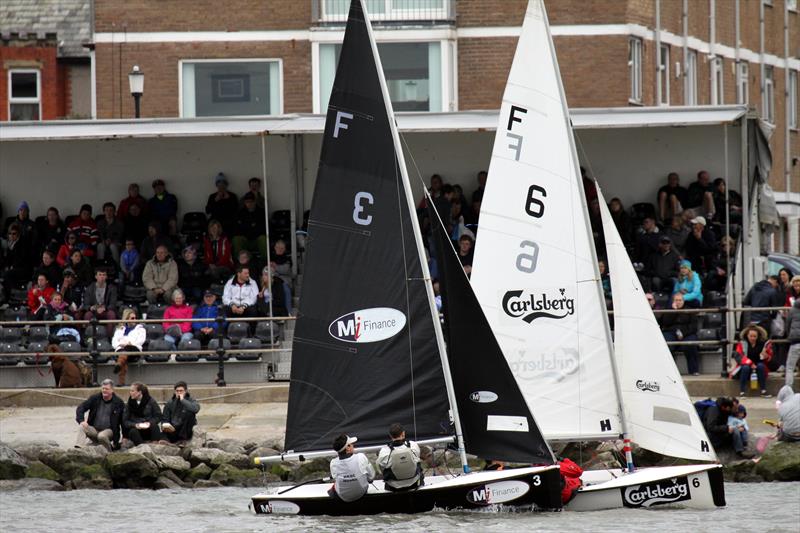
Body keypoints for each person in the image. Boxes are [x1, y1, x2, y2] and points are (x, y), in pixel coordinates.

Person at [75, 379, 125, 451]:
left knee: (101, 436)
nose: (104, 390)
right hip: (94, 429)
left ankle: (109, 451)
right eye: (103, 388)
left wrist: (124, 437)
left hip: (109, 431)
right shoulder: (95, 398)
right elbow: (81, 408)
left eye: (107, 389)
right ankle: (79, 449)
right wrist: (81, 421)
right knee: (82, 427)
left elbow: (123, 421)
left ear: (112, 390)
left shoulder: (118, 402)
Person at [660, 293, 700, 375]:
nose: (678, 302)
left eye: (680, 300)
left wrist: (683, 333)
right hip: (671, 332)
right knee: (667, 344)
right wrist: (673, 311)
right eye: (676, 300)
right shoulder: (668, 310)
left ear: (683, 301)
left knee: (691, 344)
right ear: (673, 301)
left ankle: (694, 370)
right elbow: (665, 323)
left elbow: (694, 327)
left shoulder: (690, 311)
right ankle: (669, 372)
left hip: (687, 333)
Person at [376, 423, 423, 491]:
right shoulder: (413, 445)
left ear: (390, 436)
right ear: (403, 433)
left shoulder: (384, 451)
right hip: (414, 483)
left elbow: (381, 468)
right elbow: (417, 459)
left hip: (394, 487)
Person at [329, 434, 375, 502]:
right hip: (361, 493)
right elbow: (371, 477)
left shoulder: (333, 463)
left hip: (343, 497)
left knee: (332, 489)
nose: (353, 445)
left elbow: (335, 478)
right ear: (347, 448)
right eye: (351, 444)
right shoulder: (361, 457)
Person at [731, 325, 772, 398]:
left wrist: (766, 356)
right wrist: (750, 363)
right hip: (745, 367)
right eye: (751, 336)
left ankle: (763, 391)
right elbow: (738, 357)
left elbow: (769, 358)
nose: (753, 338)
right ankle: (742, 392)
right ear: (747, 335)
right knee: (745, 367)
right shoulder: (741, 344)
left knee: (761, 366)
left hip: (758, 368)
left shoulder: (763, 344)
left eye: (755, 336)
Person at [111, 308, 146, 386]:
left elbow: (141, 340)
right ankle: (120, 369)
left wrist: (128, 343)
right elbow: (114, 341)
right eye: (132, 318)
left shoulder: (140, 329)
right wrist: (120, 345)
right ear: (126, 319)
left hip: (134, 349)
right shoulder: (119, 329)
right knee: (123, 354)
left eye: (135, 318)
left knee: (125, 351)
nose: (135, 320)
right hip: (121, 349)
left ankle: (119, 367)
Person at [122, 382, 163, 446]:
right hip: (136, 429)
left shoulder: (151, 401)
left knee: (155, 427)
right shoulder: (129, 403)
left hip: (148, 428)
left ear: (139, 392)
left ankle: (154, 445)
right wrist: (135, 425)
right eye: (130, 391)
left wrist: (149, 423)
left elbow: (158, 416)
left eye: (132, 391)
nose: (130, 393)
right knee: (133, 432)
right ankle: (142, 447)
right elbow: (125, 421)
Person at [81, 268, 118, 337]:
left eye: (104, 275)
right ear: (96, 276)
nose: (102, 277)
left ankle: (109, 337)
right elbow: (86, 304)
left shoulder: (111, 288)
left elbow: (113, 304)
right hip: (94, 310)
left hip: (105, 310)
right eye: (100, 275)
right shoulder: (90, 288)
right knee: (87, 315)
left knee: (112, 314)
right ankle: (89, 337)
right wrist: (91, 308)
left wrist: (105, 308)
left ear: (106, 277)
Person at [233, 192, 268, 258]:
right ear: (244, 203)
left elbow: (263, 229)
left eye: (251, 201)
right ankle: (238, 263)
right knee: (236, 239)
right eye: (247, 202)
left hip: (257, 240)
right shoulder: (240, 213)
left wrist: (246, 226)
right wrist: (252, 226)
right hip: (245, 240)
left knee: (263, 238)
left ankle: (265, 263)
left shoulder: (261, 212)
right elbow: (237, 229)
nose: (249, 203)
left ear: (255, 201)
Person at [270, 240, 293, 315]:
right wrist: (278, 270)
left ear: (285, 249)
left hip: (284, 281)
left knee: (286, 289)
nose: (280, 249)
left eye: (282, 248)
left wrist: (275, 267)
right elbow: (268, 270)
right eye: (278, 247)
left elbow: (285, 270)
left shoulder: (287, 259)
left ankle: (288, 312)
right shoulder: (270, 257)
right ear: (275, 248)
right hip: (273, 280)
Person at [785, 293, 800, 387]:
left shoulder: (793, 309)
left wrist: (789, 335)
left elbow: (788, 324)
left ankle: (788, 389)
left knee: (790, 367)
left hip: (795, 341)